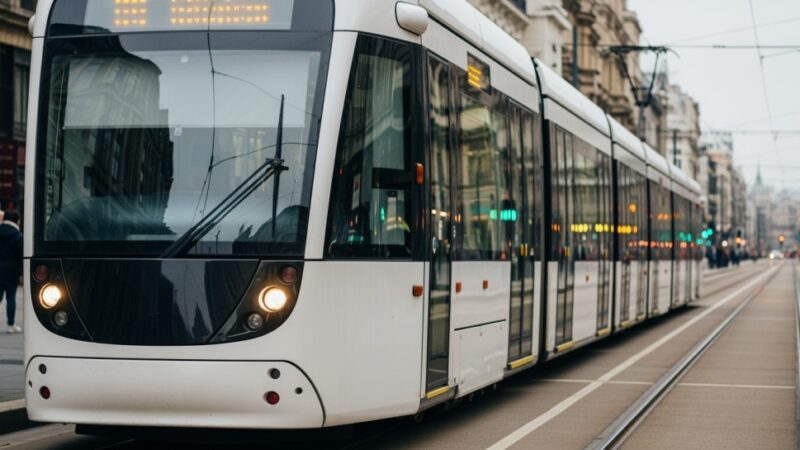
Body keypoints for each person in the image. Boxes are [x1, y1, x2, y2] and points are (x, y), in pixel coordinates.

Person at [0, 210, 22, 333]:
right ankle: (10, 325)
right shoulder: (18, 236)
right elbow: (20, 257)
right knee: (11, 299)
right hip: (11, 272)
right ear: (16, 220)